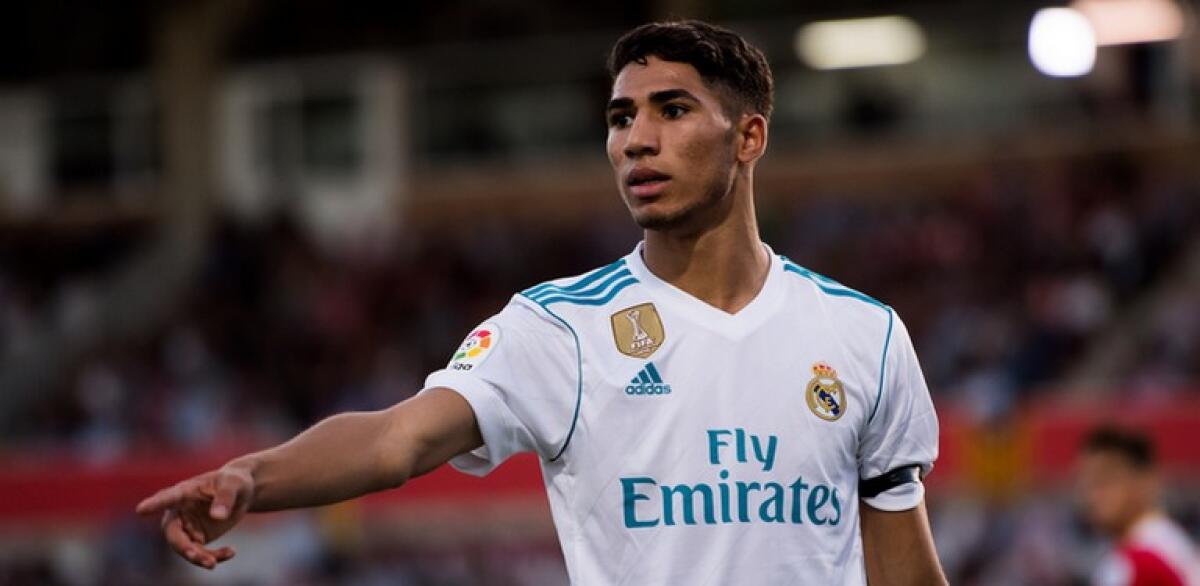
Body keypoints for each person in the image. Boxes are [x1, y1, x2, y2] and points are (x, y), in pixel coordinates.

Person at [137, 20, 946, 584]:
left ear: (749, 137)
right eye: (621, 117)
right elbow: (394, 441)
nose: (637, 140)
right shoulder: (557, 328)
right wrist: (253, 476)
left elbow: (903, 566)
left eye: (672, 110)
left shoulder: (862, 335)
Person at [1079, 426, 1200, 586]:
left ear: (1145, 480)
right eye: (1088, 483)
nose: (1093, 495)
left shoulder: (1132, 566)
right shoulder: (1172, 544)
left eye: (1105, 479)